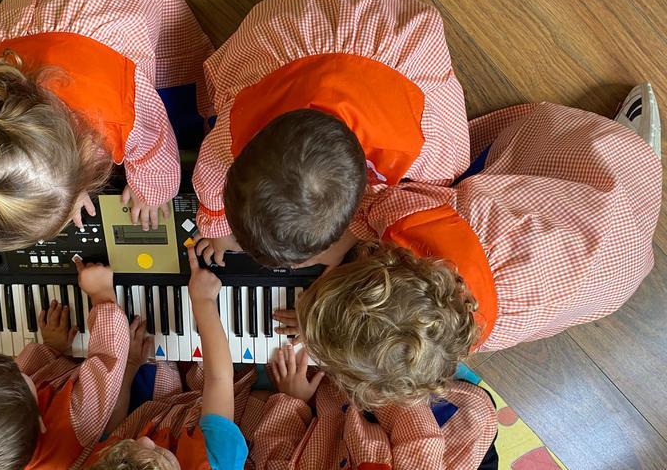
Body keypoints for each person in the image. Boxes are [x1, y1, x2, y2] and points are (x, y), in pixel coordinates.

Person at [276, 85, 662, 408]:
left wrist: (329, 319)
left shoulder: (459, 335)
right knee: (581, 167)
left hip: (611, 276)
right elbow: (380, 200)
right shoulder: (422, 228)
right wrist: (336, 248)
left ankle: (635, 153)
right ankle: (632, 152)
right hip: (595, 215)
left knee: (596, 196)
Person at [193, 0, 470, 269]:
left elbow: (434, 186)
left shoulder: (425, 143)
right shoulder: (237, 124)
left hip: (397, 48)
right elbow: (211, 169)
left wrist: (345, 241)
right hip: (297, 31)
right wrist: (216, 228)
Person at [0, 0, 213, 251]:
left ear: (80, 153)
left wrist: (153, 193)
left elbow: (155, 146)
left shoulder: (121, 109)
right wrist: (65, 189)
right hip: (46, 3)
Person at [0, 257, 132, 469]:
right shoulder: (75, 424)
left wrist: (51, 348)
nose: (16, 367)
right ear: (40, 422)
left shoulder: (5, 439)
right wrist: (101, 295)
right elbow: (107, 359)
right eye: (17, 374)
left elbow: (19, 375)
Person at [85, 248, 250, 469]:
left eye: (130, 446)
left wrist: (130, 365)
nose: (143, 439)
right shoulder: (216, 463)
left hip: (159, 413)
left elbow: (112, 426)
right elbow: (219, 378)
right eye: (153, 452)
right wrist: (204, 300)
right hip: (199, 419)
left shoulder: (108, 462)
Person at [249, 344, 498, 469]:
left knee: (258, 402)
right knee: (410, 361)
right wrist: (365, 362)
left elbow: (275, 452)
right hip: (437, 435)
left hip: (341, 429)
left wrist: (294, 398)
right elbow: (408, 416)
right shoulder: (419, 459)